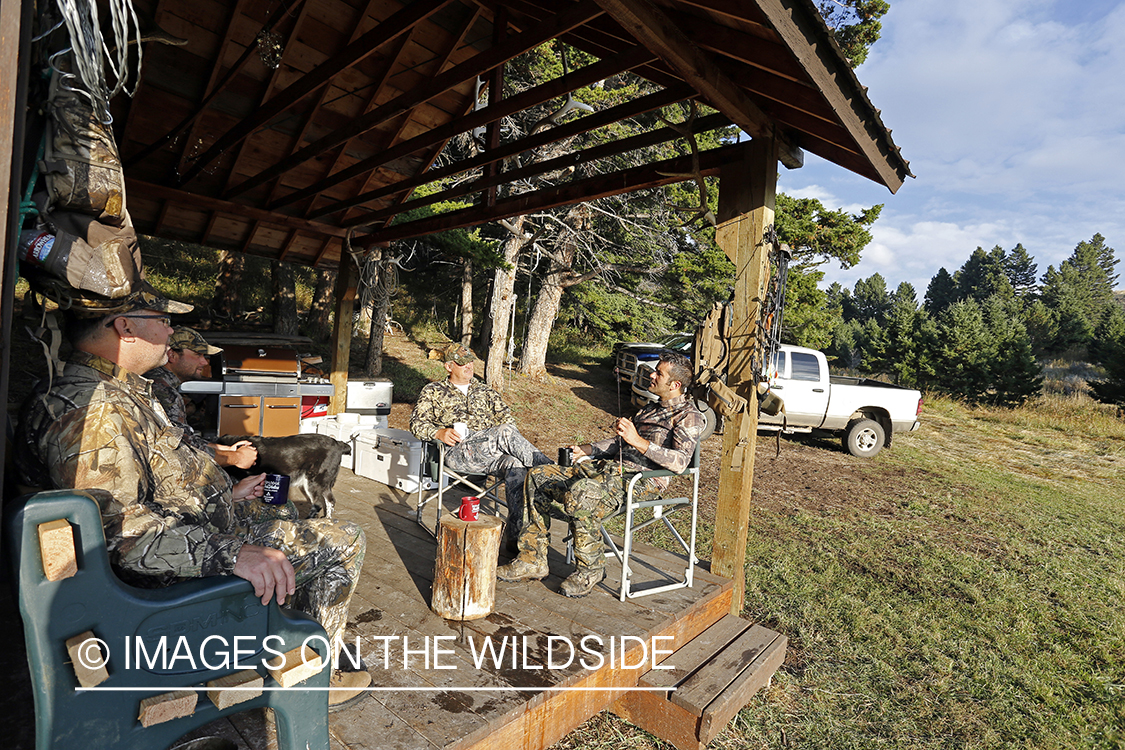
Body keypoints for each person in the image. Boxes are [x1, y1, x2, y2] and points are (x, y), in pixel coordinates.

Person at [16, 287, 371, 710]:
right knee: (344, 540)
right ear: (125, 327)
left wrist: (228, 493)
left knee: (283, 509)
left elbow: (154, 481)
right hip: (169, 576)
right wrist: (233, 554)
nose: (171, 332)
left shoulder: (118, 392)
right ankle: (317, 678)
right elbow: (120, 535)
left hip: (193, 529)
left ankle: (282, 637)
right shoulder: (94, 411)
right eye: (164, 321)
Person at [496, 350, 705, 598]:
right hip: (609, 472)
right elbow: (619, 444)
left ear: (675, 385)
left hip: (642, 482)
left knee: (583, 492)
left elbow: (680, 462)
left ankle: (591, 570)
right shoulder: (649, 409)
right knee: (539, 476)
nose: (651, 375)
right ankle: (533, 558)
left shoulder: (689, 416)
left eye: (659, 373)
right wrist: (587, 449)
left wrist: (637, 441)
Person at [408, 342, 552, 545]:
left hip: (489, 453)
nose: (469, 366)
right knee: (504, 432)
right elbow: (416, 424)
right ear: (448, 366)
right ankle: (553, 473)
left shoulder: (486, 391)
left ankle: (517, 538)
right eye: (462, 363)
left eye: (470, 362)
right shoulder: (433, 391)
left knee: (516, 465)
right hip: (457, 452)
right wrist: (438, 432)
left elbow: (509, 423)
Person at [145, 326, 257, 469]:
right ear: (171, 355)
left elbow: (185, 438)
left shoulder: (159, 383)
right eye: (198, 354)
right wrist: (237, 458)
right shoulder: (162, 390)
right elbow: (180, 449)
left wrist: (226, 449)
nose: (204, 362)